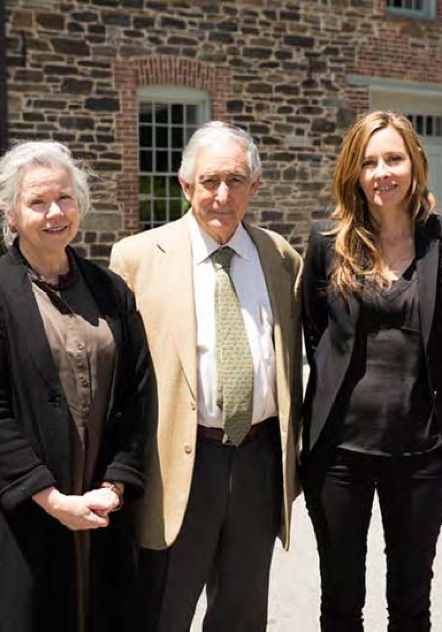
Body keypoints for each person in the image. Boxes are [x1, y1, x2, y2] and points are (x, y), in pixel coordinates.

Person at [0, 141, 153, 632]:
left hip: (101, 507)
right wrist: (52, 500)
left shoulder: (111, 290)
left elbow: (138, 393)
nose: (54, 212)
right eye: (37, 202)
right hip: (20, 514)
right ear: (11, 214)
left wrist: (116, 484)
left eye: (64, 198)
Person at [109, 121, 303, 632]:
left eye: (236, 180)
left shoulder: (281, 259)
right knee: (163, 610)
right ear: (185, 184)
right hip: (177, 462)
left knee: (241, 615)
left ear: (255, 187)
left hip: (258, 462)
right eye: (210, 180)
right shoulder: (137, 259)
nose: (222, 195)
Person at [301, 110, 442, 632]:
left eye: (393, 158)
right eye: (370, 161)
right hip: (338, 455)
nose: (383, 172)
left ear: (415, 163)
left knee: (409, 602)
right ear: (355, 172)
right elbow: (317, 337)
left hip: (421, 454)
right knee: (340, 602)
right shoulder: (327, 242)